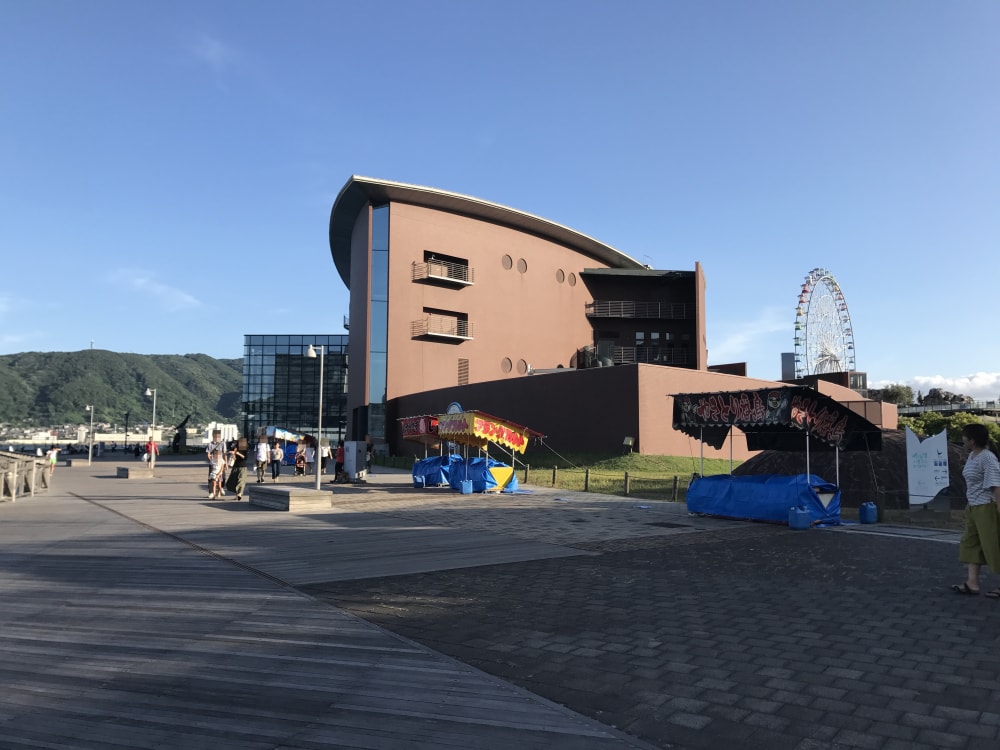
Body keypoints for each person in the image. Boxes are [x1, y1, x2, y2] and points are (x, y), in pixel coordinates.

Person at [952, 423, 1000, 596]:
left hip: (987, 507)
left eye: (964, 437)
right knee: (970, 543)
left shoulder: (987, 457)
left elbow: (996, 486)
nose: (962, 439)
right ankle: (972, 584)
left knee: (994, 545)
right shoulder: (973, 455)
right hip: (973, 506)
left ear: (972, 440)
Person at [206, 429, 227, 499]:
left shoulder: (223, 443)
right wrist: (212, 459)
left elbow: (225, 454)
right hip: (213, 464)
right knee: (211, 478)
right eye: (216, 436)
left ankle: (219, 491)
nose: (217, 438)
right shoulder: (210, 444)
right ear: (213, 436)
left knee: (222, 478)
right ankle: (212, 492)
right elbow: (208, 453)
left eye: (219, 436)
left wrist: (226, 463)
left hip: (221, 463)